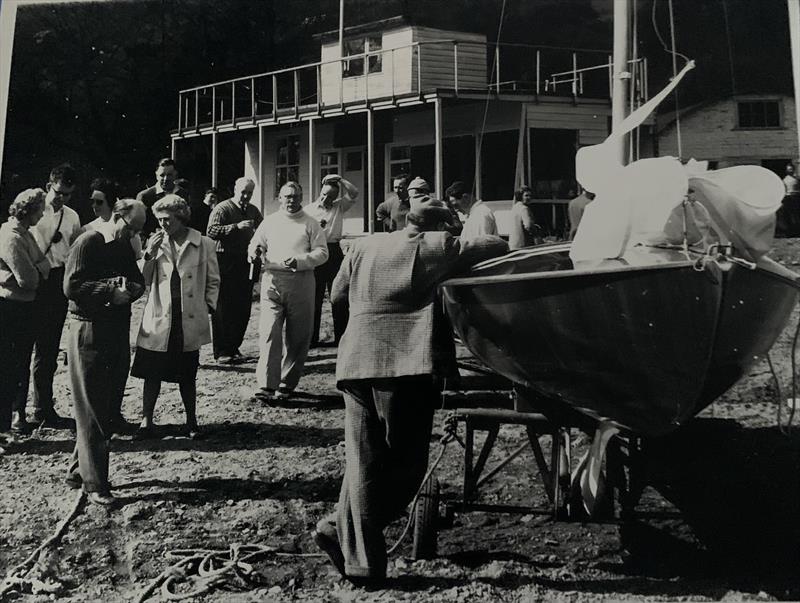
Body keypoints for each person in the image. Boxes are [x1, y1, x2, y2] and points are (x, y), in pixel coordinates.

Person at [312, 195, 508, 586]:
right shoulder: (435, 245)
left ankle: (362, 563)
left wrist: (358, 328)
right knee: (407, 465)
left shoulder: (363, 243)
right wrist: (455, 232)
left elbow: (336, 295)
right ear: (439, 225)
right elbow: (495, 245)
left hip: (354, 361)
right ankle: (338, 526)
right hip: (402, 364)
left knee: (363, 462)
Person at [63, 198, 146, 506]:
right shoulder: (89, 241)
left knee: (106, 403)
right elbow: (71, 286)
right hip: (89, 329)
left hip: (115, 330)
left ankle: (77, 470)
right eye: (132, 228)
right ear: (118, 217)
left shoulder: (124, 247)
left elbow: (138, 281)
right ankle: (95, 484)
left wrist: (131, 290)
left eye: (139, 230)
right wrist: (110, 291)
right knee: (94, 405)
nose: (134, 235)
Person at [131, 195, 220, 440]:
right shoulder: (156, 242)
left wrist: (208, 305)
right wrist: (149, 254)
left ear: (181, 217)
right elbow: (144, 280)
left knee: (187, 374)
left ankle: (191, 421)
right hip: (160, 316)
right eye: (159, 220)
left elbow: (213, 279)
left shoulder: (203, 243)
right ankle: (146, 420)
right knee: (151, 371)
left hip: (188, 317)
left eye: (167, 219)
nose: (163, 224)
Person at [15, 164, 83, 433]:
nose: (62, 199)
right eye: (58, 193)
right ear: (48, 187)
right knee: (22, 347)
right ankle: (17, 412)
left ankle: (43, 408)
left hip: (57, 282)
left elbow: (74, 250)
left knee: (48, 349)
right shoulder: (32, 213)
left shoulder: (72, 216)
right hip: (31, 281)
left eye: (68, 194)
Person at [249, 182, 328, 401]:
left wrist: (300, 261)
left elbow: (323, 253)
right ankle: (266, 384)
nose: (291, 200)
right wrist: (255, 252)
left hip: (301, 281)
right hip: (273, 279)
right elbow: (256, 244)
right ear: (280, 198)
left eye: (295, 196)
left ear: (301, 197)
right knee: (269, 331)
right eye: (287, 196)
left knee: (298, 335)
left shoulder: (311, 223)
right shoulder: (270, 221)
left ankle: (286, 383)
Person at [0, 189, 50, 452]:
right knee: (6, 371)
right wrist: (36, 268)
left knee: (15, 369)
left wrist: (36, 268)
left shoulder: (26, 234)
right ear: (28, 210)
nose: (42, 214)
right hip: (10, 311)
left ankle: (5, 428)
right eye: (40, 209)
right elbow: (29, 279)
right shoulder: (11, 237)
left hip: (24, 309)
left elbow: (44, 264)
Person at [207, 177, 263, 363]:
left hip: (246, 261)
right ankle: (222, 351)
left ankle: (234, 346)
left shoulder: (253, 210)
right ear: (235, 190)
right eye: (243, 192)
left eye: (249, 193)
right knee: (224, 307)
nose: (246, 196)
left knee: (242, 307)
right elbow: (211, 231)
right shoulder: (222, 208)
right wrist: (235, 227)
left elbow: (264, 231)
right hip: (225, 260)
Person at [304, 174, 358, 347]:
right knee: (314, 295)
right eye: (324, 194)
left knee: (339, 295)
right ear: (320, 191)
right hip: (316, 250)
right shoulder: (309, 210)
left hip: (334, 252)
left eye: (331, 196)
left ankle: (341, 337)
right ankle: (311, 338)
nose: (326, 198)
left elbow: (354, 192)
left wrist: (340, 179)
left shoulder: (339, 206)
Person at [84, 177, 143, 261]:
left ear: (110, 201)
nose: (94, 205)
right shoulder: (88, 228)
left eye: (99, 202)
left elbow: (138, 258)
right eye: (92, 201)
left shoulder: (126, 227)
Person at [136, 158, 190, 237]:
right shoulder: (145, 196)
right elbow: (138, 223)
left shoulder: (183, 194)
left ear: (176, 175)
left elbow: (186, 220)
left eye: (169, 175)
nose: (166, 179)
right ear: (156, 175)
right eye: (162, 175)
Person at [778, 163, 800, 237]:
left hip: (796, 198)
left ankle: (797, 231)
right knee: (788, 215)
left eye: (791, 169)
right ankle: (789, 232)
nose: (790, 170)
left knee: (796, 215)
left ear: (794, 169)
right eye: (788, 169)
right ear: (786, 170)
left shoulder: (797, 179)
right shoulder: (784, 180)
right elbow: (782, 190)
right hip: (787, 198)